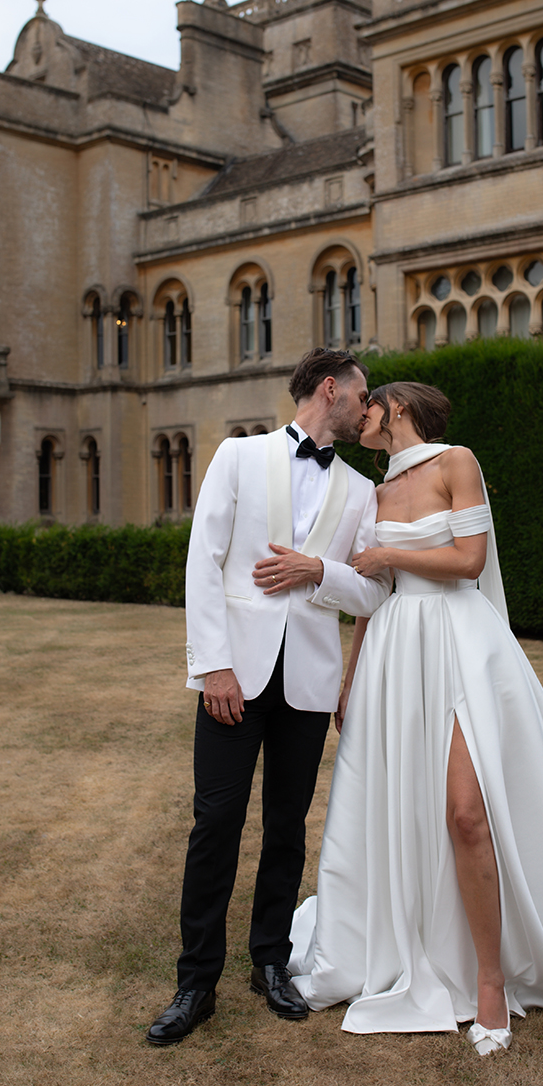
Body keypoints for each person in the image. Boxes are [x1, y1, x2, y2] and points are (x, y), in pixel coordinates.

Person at [289, 381, 543, 1055]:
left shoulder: (456, 462)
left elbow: (469, 561)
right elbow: (370, 598)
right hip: (395, 656)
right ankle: (419, 947)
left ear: (398, 408)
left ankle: (491, 981)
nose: (360, 413)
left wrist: (390, 554)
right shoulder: (373, 494)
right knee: (410, 809)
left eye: (370, 405)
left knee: (466, 812)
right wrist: (350, 679)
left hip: (460, 646)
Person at [146, 349, 391, 1046]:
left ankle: (271, 962)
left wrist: (319, 571)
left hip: (307, 683)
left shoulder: (362, 490)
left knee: (287, 828)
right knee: (215, 823)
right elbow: (204, 562)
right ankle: (196, 983)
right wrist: (214, 667)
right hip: (235, 678)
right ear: (330, 389)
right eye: (362, 395)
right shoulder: (238, 456)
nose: (367, 409)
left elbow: (375, 590)